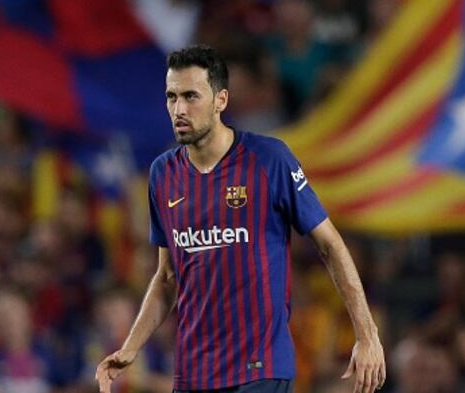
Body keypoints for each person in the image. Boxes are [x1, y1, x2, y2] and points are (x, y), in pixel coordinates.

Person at [96, 45, 384, 393]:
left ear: (221, 100)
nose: (179, 109)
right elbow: (167, 277)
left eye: (191, 96)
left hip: (259, 370)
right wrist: (130, 348)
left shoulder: (269, 160)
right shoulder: (163, 174)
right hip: (192, 374)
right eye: (172, 97)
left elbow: (330, 244)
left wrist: (367, 335)